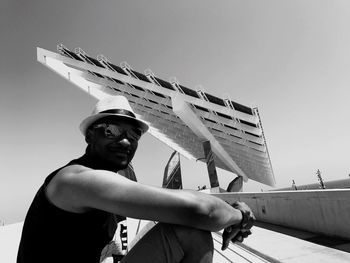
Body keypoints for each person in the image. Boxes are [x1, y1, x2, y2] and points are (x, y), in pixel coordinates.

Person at [17, 96, 255, 263]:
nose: (125, 141)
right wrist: (239, 215)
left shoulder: (114, 178)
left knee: (187, 230)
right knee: (191, 233)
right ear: (90, 135)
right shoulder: (74, 180)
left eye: (134, 134)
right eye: (111, 130)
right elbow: (202, 211)